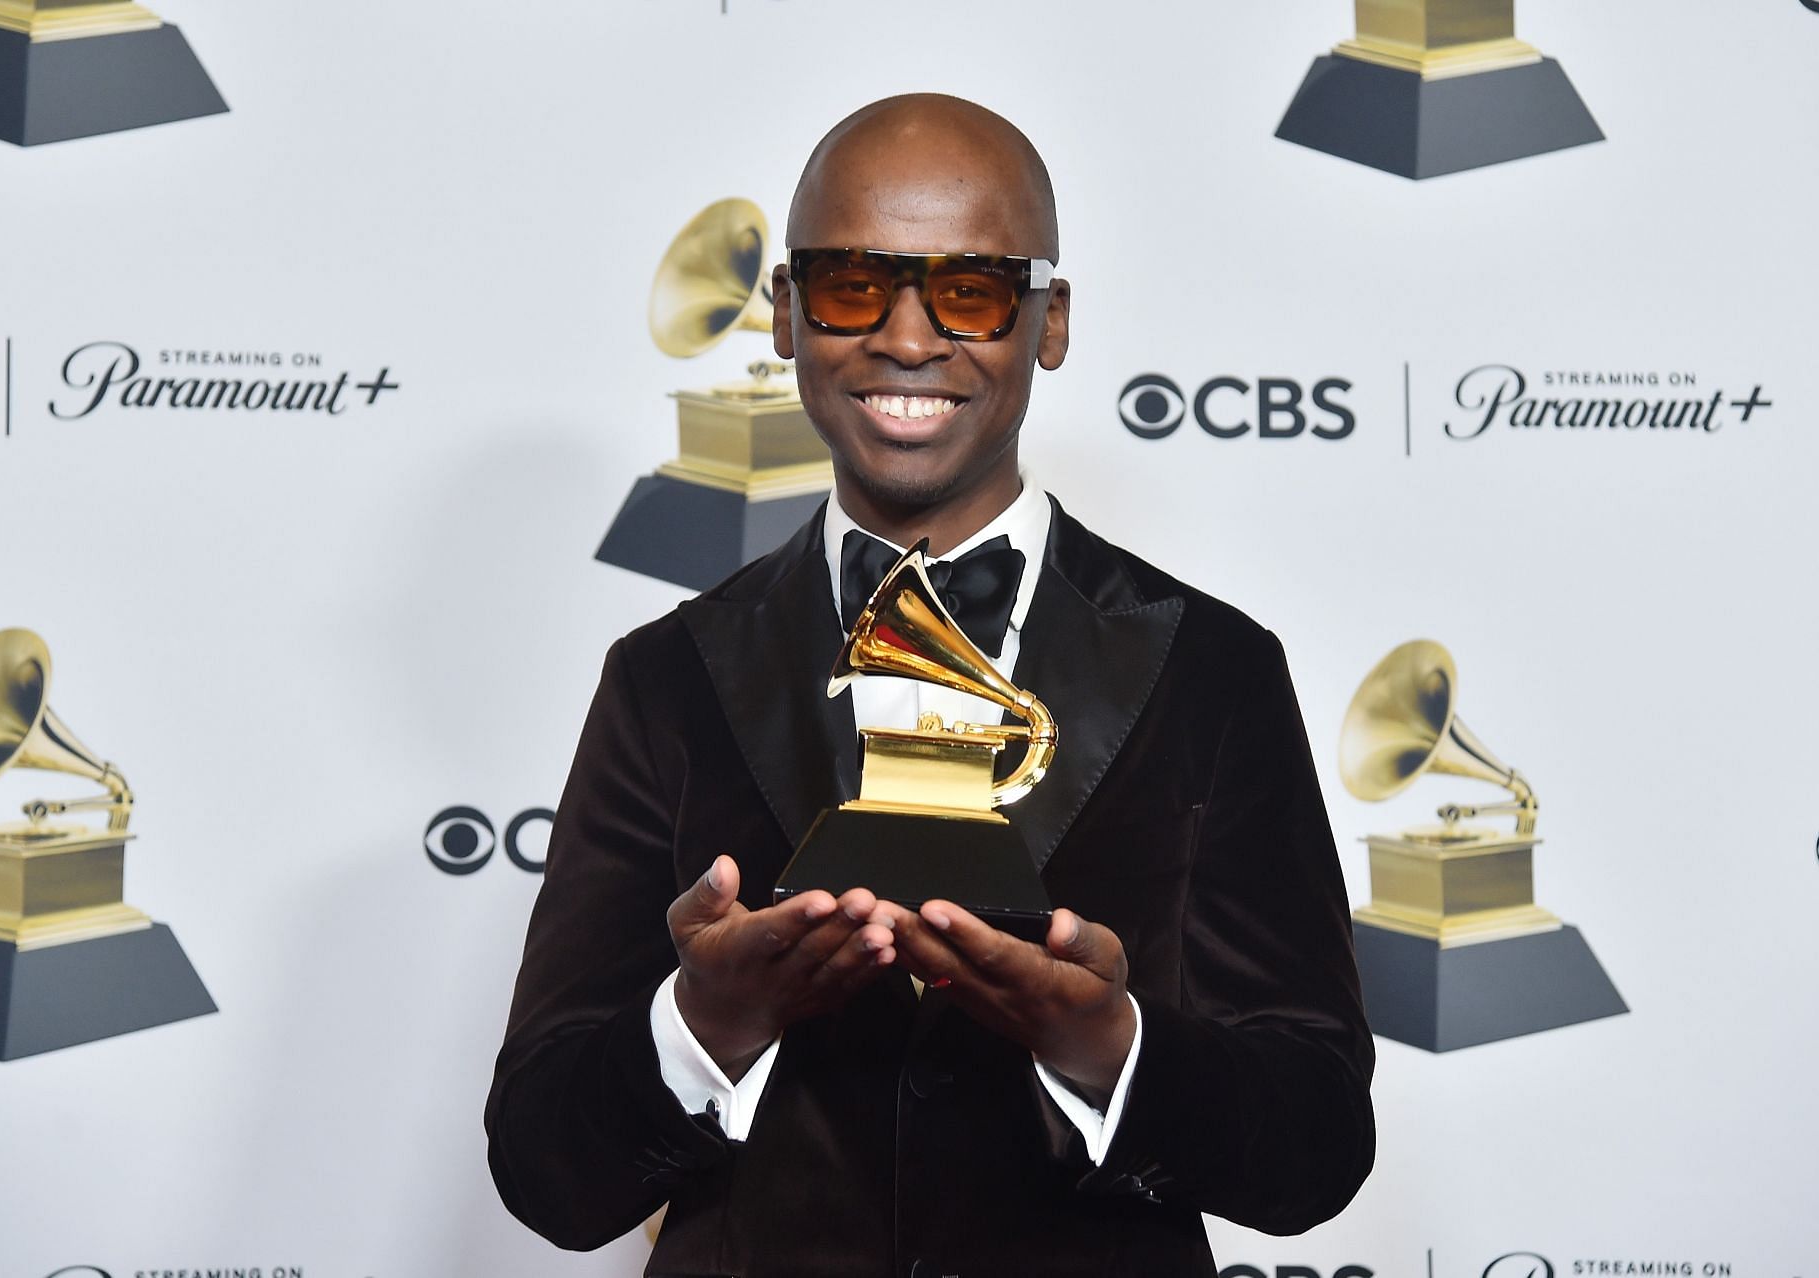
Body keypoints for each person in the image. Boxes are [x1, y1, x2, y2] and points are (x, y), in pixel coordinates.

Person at [486, 94, 1374, 1278]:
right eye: (856, 284)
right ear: (788, 315)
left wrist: (1109, 1045)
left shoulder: (1216, 672)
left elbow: (1316, 1146)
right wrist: (707, 1024)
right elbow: (546, 1170)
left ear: (1049, 322)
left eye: (972, 290)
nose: (908, 340)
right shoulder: (665, 679)